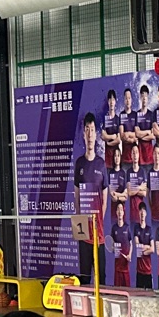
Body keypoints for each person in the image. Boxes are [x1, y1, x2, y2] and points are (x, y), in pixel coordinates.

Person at [71, 113, 108, 284]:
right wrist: (81, 224)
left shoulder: (101, 164)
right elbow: (77, 196)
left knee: (101, 278)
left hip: (98, 233)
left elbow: (105, 200)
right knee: (84, 277)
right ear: (84, 134)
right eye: (87, 130)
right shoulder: (79, 163)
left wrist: (98, 221)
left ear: (96, 133)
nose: (90, 134)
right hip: (83, 231)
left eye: (92, 130)